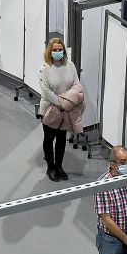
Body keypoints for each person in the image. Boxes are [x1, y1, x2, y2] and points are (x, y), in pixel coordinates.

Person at [39, 37, 79, 182]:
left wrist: (67, 103)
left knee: (62, 138)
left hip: (65, 109)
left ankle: (59, 166)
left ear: (63, 50)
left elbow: (76, 84)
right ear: (50, 51)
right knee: (49, 139)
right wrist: (62, 103)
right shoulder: (45, 69)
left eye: (59, 50)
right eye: (54, 50)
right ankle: (50, 167)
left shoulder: (70, 65)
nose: (57, 52)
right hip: (50, 109)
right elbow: (46, 91)